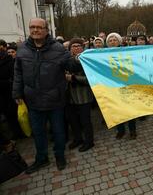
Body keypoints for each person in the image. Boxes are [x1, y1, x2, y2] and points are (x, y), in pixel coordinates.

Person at [12, 18, 79, 173]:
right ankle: (41, 159)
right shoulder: (22, 49)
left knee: (58, 132)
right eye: (32, 27)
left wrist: (79, 59)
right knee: (38, 132)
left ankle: (59, 156)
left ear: (46, 30)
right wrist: (16, 92)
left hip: (55, 100)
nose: (35, 30)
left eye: (39, 27)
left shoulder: (58, 48)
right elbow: (18, 73)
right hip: (33, 100)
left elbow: (71, 66)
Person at [106, 32, 137, 140]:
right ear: (108, 43)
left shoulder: (126, 51)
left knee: (129, 109)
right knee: (117, 109)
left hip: (125, 84)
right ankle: (121, 130)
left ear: (119, 41)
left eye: (114, 39)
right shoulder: (103, 54)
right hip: (112, 86)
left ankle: (132, 130)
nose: (112, 41)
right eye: (110, 40)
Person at [65, 38, 95, 152]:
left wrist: (73, 78)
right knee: (73, 121)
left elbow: (90, 79)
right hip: (69, 97)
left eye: (78, 46)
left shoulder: (88, 60)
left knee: (85, 121)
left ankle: (89, 141)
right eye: (73, 46)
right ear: (70, 48)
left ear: (83, 48)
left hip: (83, 96)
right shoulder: (66, 60)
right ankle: (78, 139)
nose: (76, 47)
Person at [0, 39, 24, 140]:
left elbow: (16, 77)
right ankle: (16, 133)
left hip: (11, 92)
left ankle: (21, 132)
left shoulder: (10, 61)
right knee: (9, 116)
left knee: (16, 114)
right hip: (3, 94)